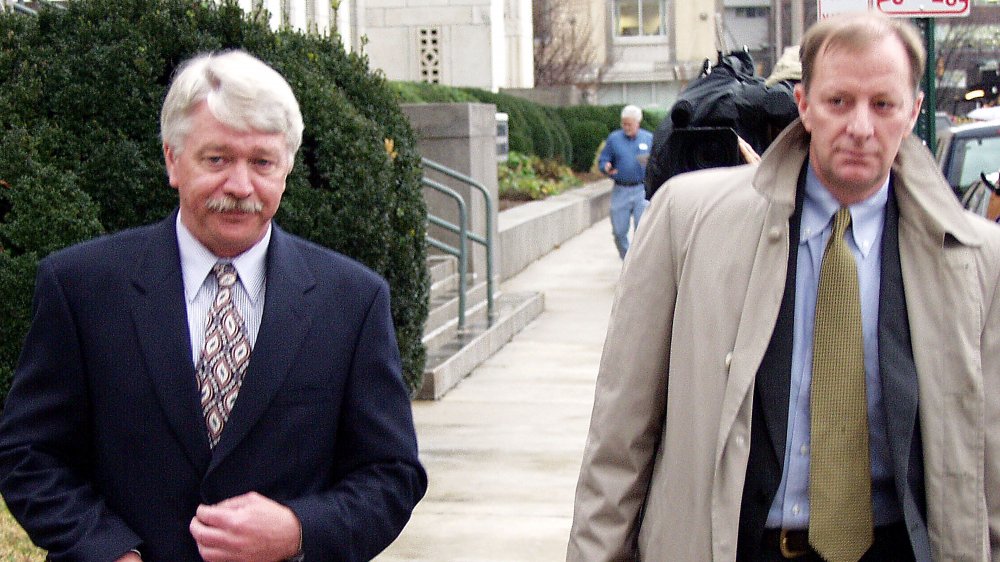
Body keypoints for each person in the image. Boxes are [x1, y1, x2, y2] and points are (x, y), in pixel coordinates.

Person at [568, 13, 1000, 561]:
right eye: (839, 101)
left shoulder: (978, 259)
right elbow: (619, 437)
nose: (861, 127)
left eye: (883, 105)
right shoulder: (687, 221)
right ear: (803, 105)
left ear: (914, 111)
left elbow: (991, 461)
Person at [0, 50, 427, 562]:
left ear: (286, 167)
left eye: (262, 162)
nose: (241, 186)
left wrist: (296, 530)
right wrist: (107, 551)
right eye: (217, 159)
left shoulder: (353, 301)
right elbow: (30, 453)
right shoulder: (82, 287)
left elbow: (392, 474)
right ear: (172, 160)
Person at [598, 105, 653, 259]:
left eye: (629, 124)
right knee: (619, 230)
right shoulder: (614, 139)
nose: (626, 127)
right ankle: (626, 258)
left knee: (642, 229)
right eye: (624, 124)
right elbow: (604, 159)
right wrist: (606, 167)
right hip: (621, 190)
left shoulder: (648, 138)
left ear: (638, 123)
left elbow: (657, 161)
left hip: (641, 190)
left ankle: (638, 262)